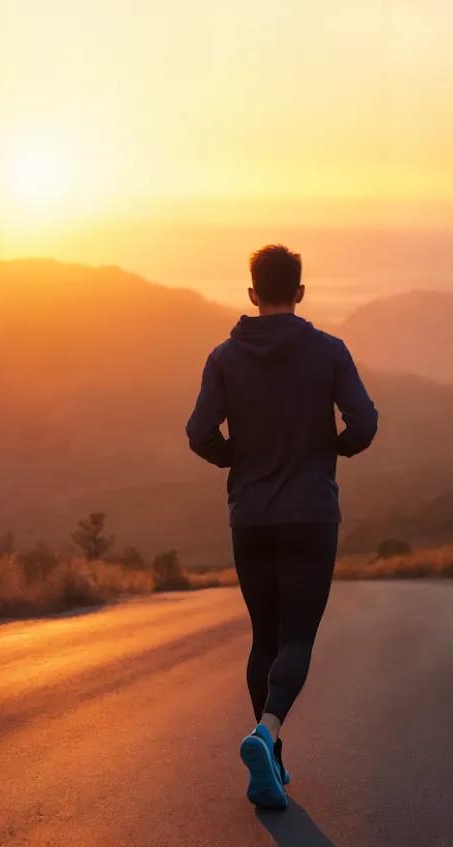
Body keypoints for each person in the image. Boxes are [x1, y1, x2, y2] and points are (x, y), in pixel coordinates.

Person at [185, 244, 379, 810]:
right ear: (299, 292)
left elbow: (199, 432)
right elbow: (364, 422)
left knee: (263, 638)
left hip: (251, 516)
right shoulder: (329, 352)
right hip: (311, 514)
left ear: (252, 294)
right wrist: (331, 451)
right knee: (296, 637)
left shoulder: (224, 357)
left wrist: (236, 461)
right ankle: (266, 735)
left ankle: (271, 754)